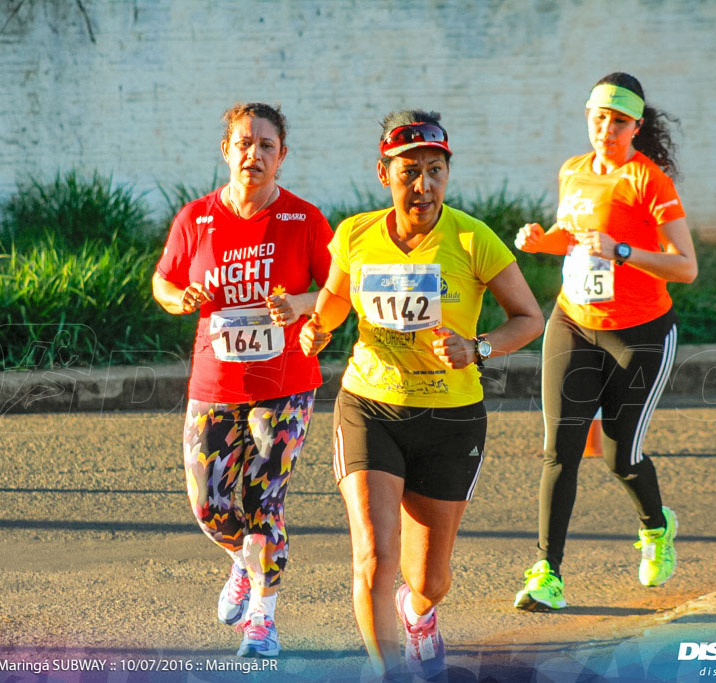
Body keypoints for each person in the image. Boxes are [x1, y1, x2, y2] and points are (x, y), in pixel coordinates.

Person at [300, 110, 544, 679]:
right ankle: (389, 671)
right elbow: (334, 300)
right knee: (374, 557)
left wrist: (478, 348)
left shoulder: (470, 238)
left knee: (428, 580)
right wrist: (319, 327)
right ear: (384, 173)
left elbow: (529, 317)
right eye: (410, 171)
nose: (424, 185)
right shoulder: (356, 234)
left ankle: (419, 614)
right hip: (370, 406)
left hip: (450, 419)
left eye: (436, 171)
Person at [152, 102, 333, 657]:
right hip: (215, 382)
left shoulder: (304, 220)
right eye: (244, 143)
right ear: (226, 150)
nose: (254, 154)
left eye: (266, 146)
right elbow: (162, 281)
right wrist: (179, 300)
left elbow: (335, 295)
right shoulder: (196, 217)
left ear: (282, 157)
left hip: (285, 386)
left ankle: (263, 617)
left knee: (263, 502)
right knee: (208, 507)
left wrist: (302, 308)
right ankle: (243, 563)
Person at [512, 72, 698, 611]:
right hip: (573, 323)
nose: (607, 129)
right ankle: (548, 572)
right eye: (599, 118)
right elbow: (574, 237)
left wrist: (623, 252)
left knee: (620, 456)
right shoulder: (573, 171)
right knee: (559, 450)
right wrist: (544, 241)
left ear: (636, 125)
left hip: (640, 336)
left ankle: (657, 527)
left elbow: (685, 267)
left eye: (619, 121)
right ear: (588, 117)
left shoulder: (649, 181)